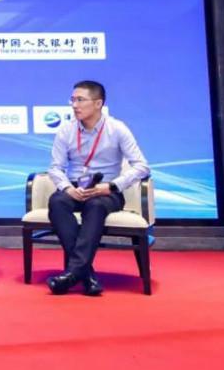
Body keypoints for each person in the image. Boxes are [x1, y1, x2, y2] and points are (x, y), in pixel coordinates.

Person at [46, 80, 150, 296]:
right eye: (72, 100)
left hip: (107, 190)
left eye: (80, 100)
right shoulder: (66, 130)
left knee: (95, 206)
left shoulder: (117, 129)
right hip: (75, 187)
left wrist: (111, 186)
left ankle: (73, 273)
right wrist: (67, 188)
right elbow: (55, 168)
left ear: (98, 103)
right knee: (57, 202)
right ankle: (85, 274)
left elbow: (142, 167)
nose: (74, 105)